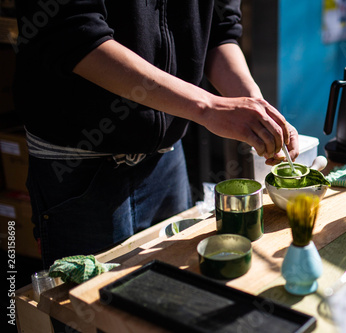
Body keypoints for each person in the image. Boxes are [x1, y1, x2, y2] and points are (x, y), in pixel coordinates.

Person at [13, 0, 299, 269]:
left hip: (165, 159)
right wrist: (207, 107)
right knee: (84, 307)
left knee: (173, 290)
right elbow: (73, 33)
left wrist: (256, 108)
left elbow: (219, 31)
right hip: (76, 166)